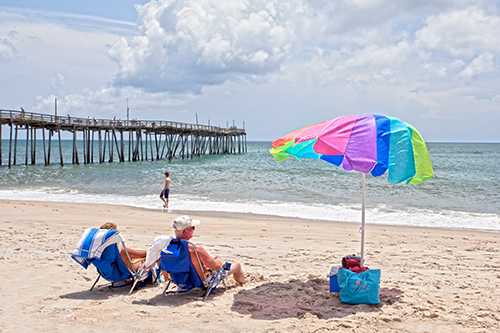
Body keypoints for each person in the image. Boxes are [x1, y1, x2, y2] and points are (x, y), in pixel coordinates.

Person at [170, 215, 249, 285]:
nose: (193, 230)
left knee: (208, 262)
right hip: (202, 281)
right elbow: (217, 267)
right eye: (193, 228)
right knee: (236, 265)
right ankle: (243, 281)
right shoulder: (195, 249)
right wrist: (218, 260)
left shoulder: (169, 247)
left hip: (181, 281)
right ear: (186, 231)